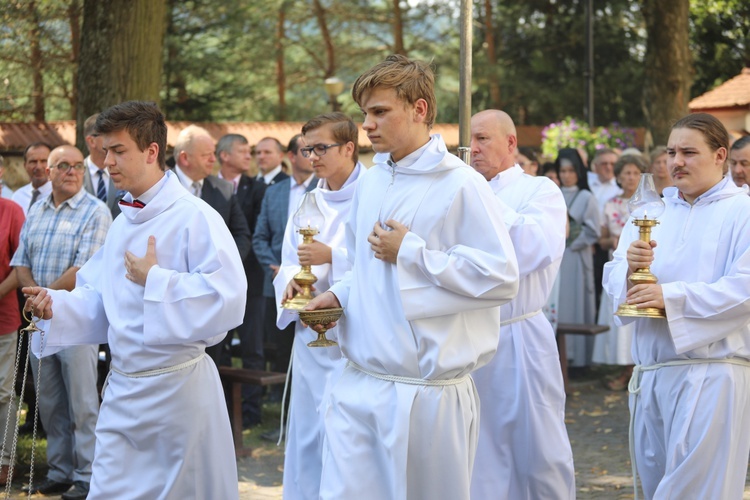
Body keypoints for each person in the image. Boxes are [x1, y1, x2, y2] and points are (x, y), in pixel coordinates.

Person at [305, 54, 519, 499]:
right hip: (359, 381)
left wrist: (413, 253)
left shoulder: (460, 184)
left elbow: (501, 277)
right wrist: (342, 295)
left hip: (425, 397)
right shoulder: (372, 180)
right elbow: (363, 264)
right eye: (365, 112)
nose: (367, 124)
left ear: (419, 110)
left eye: (380, 111)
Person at [22, 101, 247, 499]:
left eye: (119, 150)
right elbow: (100, 298)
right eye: (105, 151)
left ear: (151, 151)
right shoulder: (125, 220)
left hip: (177, 393)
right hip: (124, 391)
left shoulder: (196, 217)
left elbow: (228, 298)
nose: (107, 161)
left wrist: (155, 279)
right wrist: (55, 305)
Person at [603, 113, 750, 499]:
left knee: (694, 492)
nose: (676, 161)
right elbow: (614, 274)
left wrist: (670, 298)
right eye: (671, 152)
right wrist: (631, 271)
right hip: (651, 372)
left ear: (720, 156)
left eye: (688, 152)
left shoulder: (742, 211)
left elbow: (745, 287)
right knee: (654, 489)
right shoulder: (650, 213)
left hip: (711, 372)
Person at [468, 110, 574, 499]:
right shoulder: (460, 191)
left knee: (539, 448)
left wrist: (477, 197)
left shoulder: (539, 191)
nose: (472, 149)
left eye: (482, 139)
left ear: (511, 143)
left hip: (520, 335)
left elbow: (531, 250)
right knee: (479, 450)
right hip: (469, 339)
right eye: (469, 141)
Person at [12, 145, 111, 499]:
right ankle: (59, 471)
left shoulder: (96, 212)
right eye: (63, 166)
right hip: (40, 321)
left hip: (76, 321)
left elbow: (82, 269)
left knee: (82, 404)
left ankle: (87, 476)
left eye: (77, 166)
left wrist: (44, 297)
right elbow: (21, 262)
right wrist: (34, 296)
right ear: (49, 171)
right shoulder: (36, 210)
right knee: (50, 402)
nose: (71, 172)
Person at [273, 112, 363, 499]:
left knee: (345, 433)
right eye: (308, 149)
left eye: (321, 148)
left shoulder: (374, 193)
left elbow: (380, 262)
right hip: (310, 334)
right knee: (308, 430)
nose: (312, 157)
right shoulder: (309, 198)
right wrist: (291, 279)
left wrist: (333, 255)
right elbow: (288, 255)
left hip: (353, 336)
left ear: (349, 148)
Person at [172, 124, 251, 365]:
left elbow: (241, 234)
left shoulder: (224, 190)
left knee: (210, 362)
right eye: (207, 154)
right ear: (185, 158)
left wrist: (223, 266)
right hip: (171, 292)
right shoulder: (159, 185)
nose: (213, 159)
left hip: (210, 293)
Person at [253, 134, 315, 427]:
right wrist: (276, 269)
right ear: (292, 156)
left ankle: (301, 413)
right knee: (278, 348)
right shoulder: (275, 192)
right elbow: (260, 236)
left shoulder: (323, 189)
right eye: (306, 150)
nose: (312, 154)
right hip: (276, 282)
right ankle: (280, 411)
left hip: (314, 284)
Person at [216, 133, 268, 424]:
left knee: (252, 347)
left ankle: (250, 413)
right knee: (218, 346)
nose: (250, 156)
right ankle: (222, 410)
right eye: (243, 151)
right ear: (224, 155)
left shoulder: (258, 189)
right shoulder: (210, 189)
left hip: (251, 278)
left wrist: (232, 263)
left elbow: (255, 230)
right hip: (216, 282)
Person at [592, 154, 647, 390]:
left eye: (635, 173)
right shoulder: (611, 204)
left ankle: (638, 367)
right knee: (619, 315)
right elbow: (601, 240)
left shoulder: (650, 204)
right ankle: (624, 368)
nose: (631, 177)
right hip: (617, 268)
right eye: (627, 173)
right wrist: (613, 241)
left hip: (643, 268)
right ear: (619, 176)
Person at [556, 148, 601, 370]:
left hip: (576, 256)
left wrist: (573, 243)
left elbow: (593, 230)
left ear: (579, 172)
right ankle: (559, 355)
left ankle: (579, 358)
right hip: (557, 258)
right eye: (562, 171)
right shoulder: (552, 193)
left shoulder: (586, 197)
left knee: (576, 302)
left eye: (571, 170)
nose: (566, 175)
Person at [0, 196, 23, 486]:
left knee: (2, 392)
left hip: (3, 319)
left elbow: (21, 267)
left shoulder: (11, 211)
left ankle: (5, 459)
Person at [82, 114, 122, 218]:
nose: (112, 140)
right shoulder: (74, 174)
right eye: (106, 135)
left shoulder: (124, 171)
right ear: (91, 141)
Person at [11, 143, 52, 215]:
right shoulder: (17, 196)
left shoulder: (59, 196)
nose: (38, 167)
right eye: (33, 162)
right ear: (25, 166)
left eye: (44, 161)